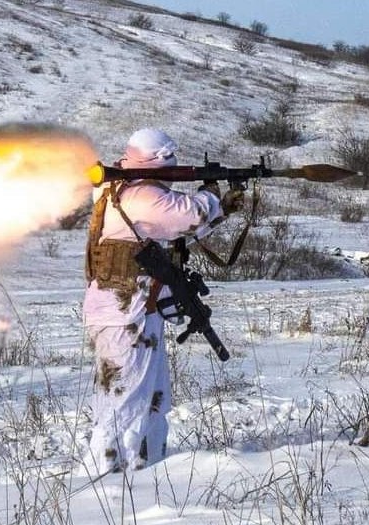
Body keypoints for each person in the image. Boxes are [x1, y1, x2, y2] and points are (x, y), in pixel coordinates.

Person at [81, 128, 242, 475]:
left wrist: (220, 209)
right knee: (122, 401)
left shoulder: (117, 188)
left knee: (153, 399)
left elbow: (177, 227)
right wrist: (212, 192)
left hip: (137, 308)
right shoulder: (139, 196)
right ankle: (105, 481)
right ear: (159, 159)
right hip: (123, 313)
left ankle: (146, 469)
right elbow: (189, 214)